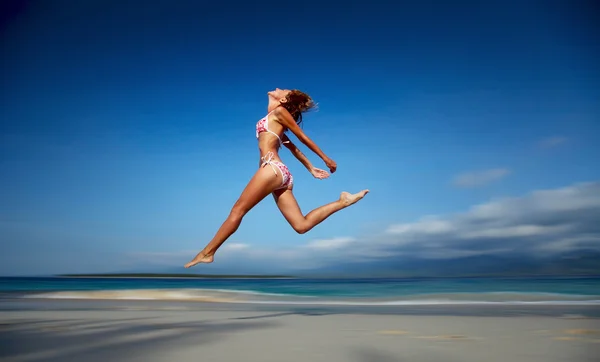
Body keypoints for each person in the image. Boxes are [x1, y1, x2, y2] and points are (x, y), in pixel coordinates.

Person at [184, 88, 369, 268]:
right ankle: (342, 202)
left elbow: (302, 137)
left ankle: (208, 252)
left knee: (237, 211)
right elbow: (292, 147)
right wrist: (310, 168)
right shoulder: (275, 119)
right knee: (301, 225)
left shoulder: (280, 112)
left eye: (283, 90)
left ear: (283, 101)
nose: (278, 88)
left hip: (272, 168)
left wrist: (325, 158)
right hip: (280, 175)